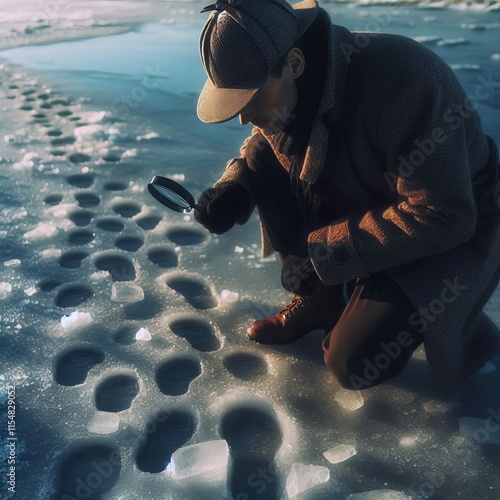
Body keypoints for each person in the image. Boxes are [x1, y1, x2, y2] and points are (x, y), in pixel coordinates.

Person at [194, 0, 500, 396]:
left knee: (352, 363)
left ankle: (465, 322)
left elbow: (447, 214)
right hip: (375, 201)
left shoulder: (406, 84)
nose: (242, 116)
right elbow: (262, 143)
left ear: (296, 64)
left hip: (453, 222)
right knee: (257, 159)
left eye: (250, 96)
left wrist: (327, 251)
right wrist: (233, 189)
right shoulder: (293, 89)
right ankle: (321, 301)